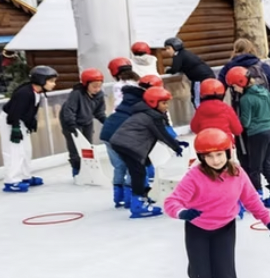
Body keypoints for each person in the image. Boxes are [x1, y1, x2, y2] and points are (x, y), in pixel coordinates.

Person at [165, 127, 270, 278]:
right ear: (201, 157)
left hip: (225, 228)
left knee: (226, 274)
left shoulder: (237, 173)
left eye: (219, 154)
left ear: (228, 153)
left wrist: (267, 219)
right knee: (201, 276)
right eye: (209, 156)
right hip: (197, 229)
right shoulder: (195, 176)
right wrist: (183, 212)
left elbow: (251, 198)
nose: (216, 160)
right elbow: (172, 202)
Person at [110, 85, 185, 217]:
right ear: (153, 102)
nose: (166, 106)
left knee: (138, 172)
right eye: (164, 103)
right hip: (129, 145)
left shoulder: (146, 113)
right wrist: (176, 147)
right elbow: (162, 134)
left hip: (120, 143)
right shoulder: (153, 116)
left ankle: (139, 198)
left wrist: (176, 143)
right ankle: (138, 204)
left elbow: (160, 134)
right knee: (138, 172)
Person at [229, 64, 270, 208]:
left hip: (257, 135)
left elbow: (246, 122)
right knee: (267, 164)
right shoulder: (263, 91)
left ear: (241, 83)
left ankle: (257, 197)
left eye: (233, 86)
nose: (233, 89)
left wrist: (233, 123)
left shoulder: (245, 99)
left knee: (254, 167)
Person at [0, 63, 58, 192]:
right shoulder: (24, 93)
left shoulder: (36, 92)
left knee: (26, 150)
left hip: (19, 121)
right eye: (51, 81)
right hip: (10, 121)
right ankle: (12, 181)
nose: (54, 84)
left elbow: (27, 110)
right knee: (14, 150)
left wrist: (31, 121)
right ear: (41, 80)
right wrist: (15, 128)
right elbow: (14, 111)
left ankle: (25, 176)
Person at [98, 73, 148, 208]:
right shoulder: (139, 105)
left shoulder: (124, 102)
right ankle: (129, 197)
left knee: (119, 166)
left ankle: (117, 196)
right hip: (119, 137)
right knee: (132, 165)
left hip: (107, 134)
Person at [58, 67, 106, 181]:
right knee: (75, 147)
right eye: (94, 86)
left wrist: (107, 122)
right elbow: (69, 110)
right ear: (86, 84)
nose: (97, 89)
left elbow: (99, 112)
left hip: (87, 121)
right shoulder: (76, 94)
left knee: (87, 146)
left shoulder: (99, 95)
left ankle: (88, 171)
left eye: (99, 86)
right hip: (71, 122)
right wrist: (71, 126)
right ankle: (76, 172)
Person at [190, 77, 243, 147]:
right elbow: (237, 130)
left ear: (202, 94)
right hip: (225, 142)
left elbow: (194, 128)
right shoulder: (226, 108)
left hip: (206, 143)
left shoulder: (200, 109)